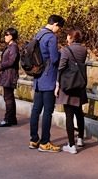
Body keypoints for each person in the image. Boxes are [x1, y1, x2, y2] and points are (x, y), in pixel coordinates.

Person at [29, 14, 64, 153]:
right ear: (55, 24)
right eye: (59, 27)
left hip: (37, 78)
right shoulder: (51, 37)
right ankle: (45, 142)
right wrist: (62, 53)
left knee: (36, 110)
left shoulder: (39, 34)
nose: (59, 30)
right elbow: (55, 59)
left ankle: (33, 139)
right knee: (48, 112)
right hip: (48, 78)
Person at [56, 28, 88, 154]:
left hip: (68, 84)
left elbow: (61, 67)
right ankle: (80, 138)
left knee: (69, 115)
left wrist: (57, 83)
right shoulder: (84, 50)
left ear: (70, 37)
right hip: (79, 84)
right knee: (79, 112)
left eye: (68, 36)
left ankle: (71, 144)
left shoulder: (66, 50)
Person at [0, 27, 20, 127]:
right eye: (5, 34)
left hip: (10, 75)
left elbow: (12, 61)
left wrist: (1, 66)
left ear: (12, 36)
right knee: (9, 97)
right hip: (7, 74)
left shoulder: (13, 47)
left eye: (7, 35)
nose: (5, 37)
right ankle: (12, 118)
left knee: (8, 98)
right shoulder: (10, 46)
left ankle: (8, 119)